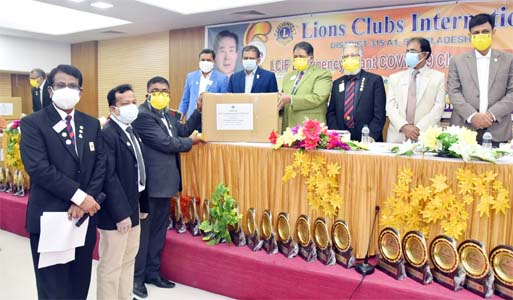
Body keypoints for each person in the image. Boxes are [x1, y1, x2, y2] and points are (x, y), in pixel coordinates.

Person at [20, 64, 106, 299]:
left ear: (80, 91)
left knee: (79, 285)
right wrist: (79, 197)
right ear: (50, 91)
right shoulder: (33, 123)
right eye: (60, 85)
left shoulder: (90, 124)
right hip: (50, 218)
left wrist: (85, 201)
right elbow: (39, 169)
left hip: (83, 219)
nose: (66, 90)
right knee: (53, 290)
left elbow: (101, 166)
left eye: (72, 86)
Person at [132, 76, 204, 299]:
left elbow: (181, 131)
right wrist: (192, 142)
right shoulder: (142, 115)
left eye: (164, 90)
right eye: (155, 90)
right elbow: (166, 143)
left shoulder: (167, 114)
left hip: (166, 184)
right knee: (144, 235)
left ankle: (153, 273)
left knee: (159, 232)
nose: (160, 94)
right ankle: (137, 278)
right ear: (147, 93)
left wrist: (199, 111)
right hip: (150, 185)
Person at [97, 84, 148, 300]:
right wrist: (121, 214)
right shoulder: (108, 134)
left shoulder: (131, 130)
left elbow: (140, 169)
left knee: (128, 261)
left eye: (134, 102)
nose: (132, 107)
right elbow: (108, 177)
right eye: (125, 103)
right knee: (111, 265)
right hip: (115, 212)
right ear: (113, 109)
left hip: (133, 206)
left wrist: (141, 206)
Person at [448, 13, 513, 145]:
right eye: (476, 33)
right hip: (463, 131)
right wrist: (472, 116)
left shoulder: (509, 60)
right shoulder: (457, 61)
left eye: (485, 32)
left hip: (497, 131)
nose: (480, 35)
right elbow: (454, 92)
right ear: (469, 35)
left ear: (493, 32)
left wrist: (490, 115)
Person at [386, 37, 446, 143]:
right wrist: (404, 126)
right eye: (407, 51)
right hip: (398, 136)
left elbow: (438, 108)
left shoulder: (438, 78)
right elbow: (390, 107)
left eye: (412, 51)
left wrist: (417, 129)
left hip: (425, 136)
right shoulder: (395, 78)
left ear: (425, 54)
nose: (408, 54)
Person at [327, 42, 386, 142]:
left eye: (353, 55)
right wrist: (336, 134)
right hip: (342, 141)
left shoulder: (374, 80)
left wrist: (371, 135)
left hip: (368, 139)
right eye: (346, 56)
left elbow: (379, 113)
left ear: (360, 58)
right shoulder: (337, 83)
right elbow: (331, 113)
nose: (349, 58)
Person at [278, 41, 332, 131]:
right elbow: (284, 99)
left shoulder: (322, 74)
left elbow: (317, 98)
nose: (298, 59)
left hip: (309, 129)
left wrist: (291, 99)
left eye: (301, 57)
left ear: (311, 58)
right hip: (288, 129)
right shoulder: (288, 76)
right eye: (295, 57)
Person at [178, 48, 228, 120]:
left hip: (211, 118)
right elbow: (185, 100)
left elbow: (223, 102)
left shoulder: (222, 79)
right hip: (193, 118)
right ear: (199, 61)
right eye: (203, 60)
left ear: (214, 61)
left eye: (208, 60)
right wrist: (179, 117)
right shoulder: (191, 77)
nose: (205, 62)